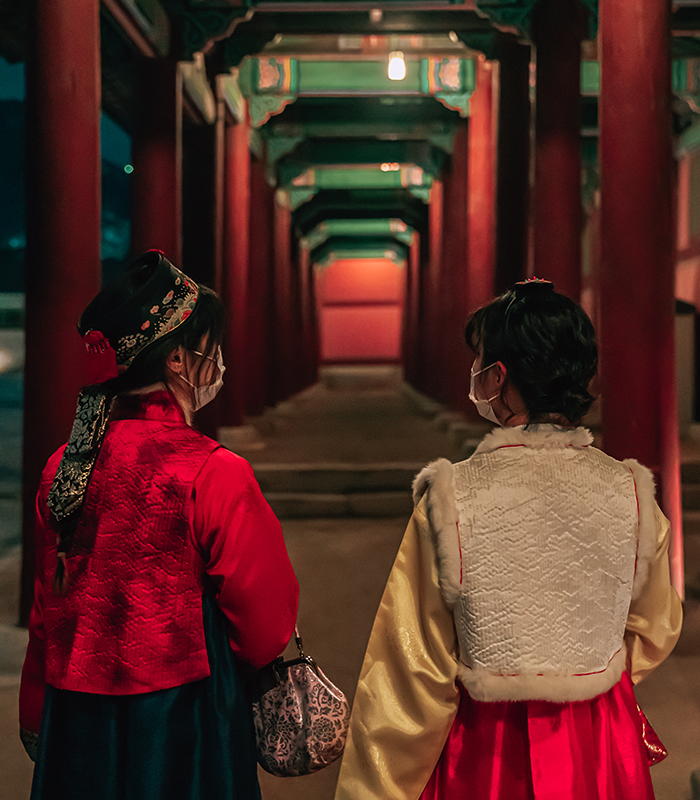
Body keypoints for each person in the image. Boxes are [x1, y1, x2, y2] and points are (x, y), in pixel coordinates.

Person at [334, 279, 682, 800]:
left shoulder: (451, 496)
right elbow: (657, 627)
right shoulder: (630, 491)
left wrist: (373, 785)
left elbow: (413, 669)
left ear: (497, 377)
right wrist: (587, 663)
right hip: (598, 735)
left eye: (480, 361)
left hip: (490, 747)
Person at [19, 250, 299, 800]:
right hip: (186, 719)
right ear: (177, 359)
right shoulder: (213, 471)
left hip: (75, 717)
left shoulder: (63, 467)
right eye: (210, 349)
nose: (218, 362)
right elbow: (266, 625)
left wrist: (37, 707)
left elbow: (45, 611)